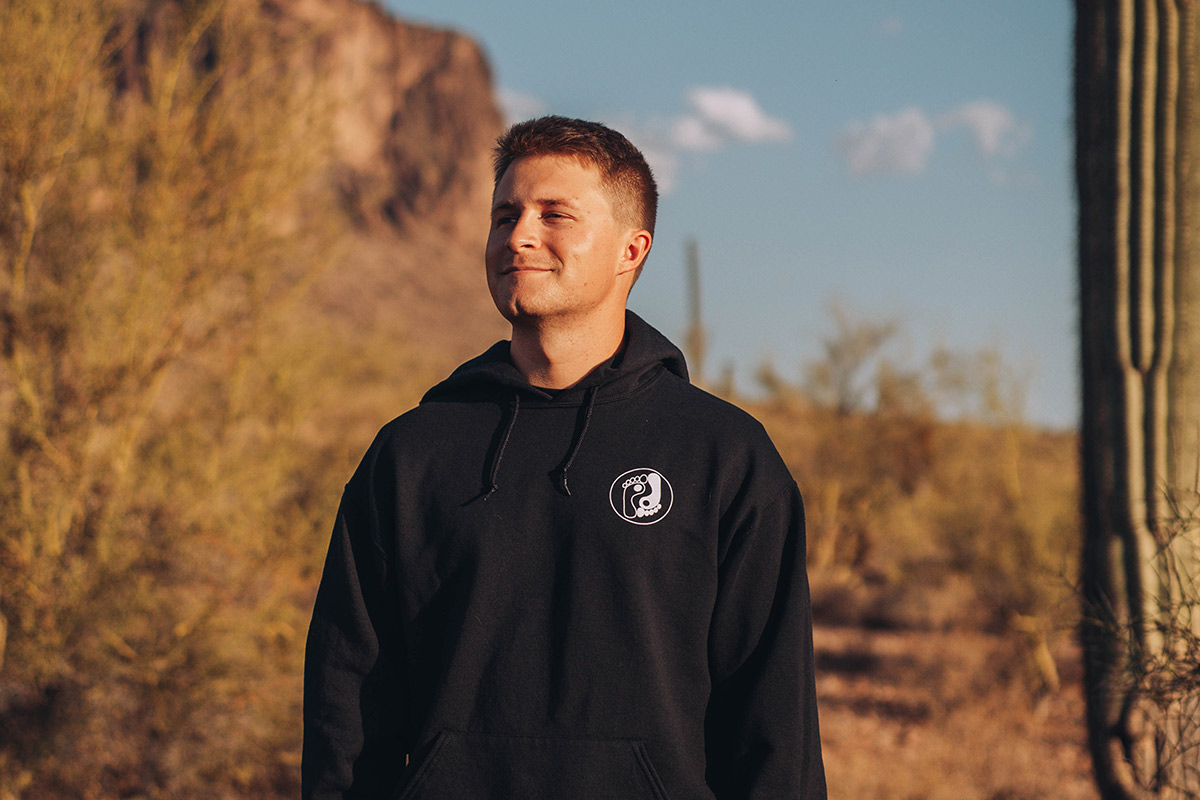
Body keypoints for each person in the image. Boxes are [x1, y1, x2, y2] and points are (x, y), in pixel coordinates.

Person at [302, 116, 826, 799]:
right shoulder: (411, 454)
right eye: (504, 215)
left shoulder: (722, 456)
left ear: (630, 249)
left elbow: (774, 726)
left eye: (555, 215)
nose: (518, 236)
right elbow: (348, 708)